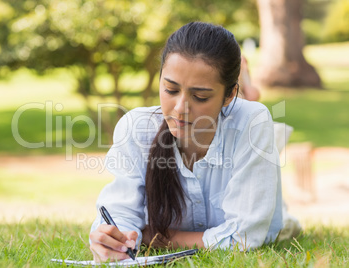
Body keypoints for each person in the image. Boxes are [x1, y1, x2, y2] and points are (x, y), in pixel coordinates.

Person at [89, 22, 284, 262]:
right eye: (170, 90)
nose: (180, 109)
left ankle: (248, 90)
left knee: (248, 120)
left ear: (230, 94)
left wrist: (160, 237)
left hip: (265, 192)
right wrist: (113, 238)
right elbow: (120, 215)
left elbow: (245, 237)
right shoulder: (136, 128)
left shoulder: (253, 121)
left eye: (200, 96)